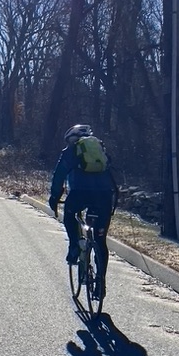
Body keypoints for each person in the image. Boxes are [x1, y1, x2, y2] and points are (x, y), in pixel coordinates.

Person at [48, 123, 118, 288]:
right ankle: (101, 282)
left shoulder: (71, 151)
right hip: (104, 195)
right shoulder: (100, 149)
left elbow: (59, 176)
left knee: (70, 214)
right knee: (100, 240)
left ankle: (74, 245)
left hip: (80, 194)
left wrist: (55, 197)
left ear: (71, 139)